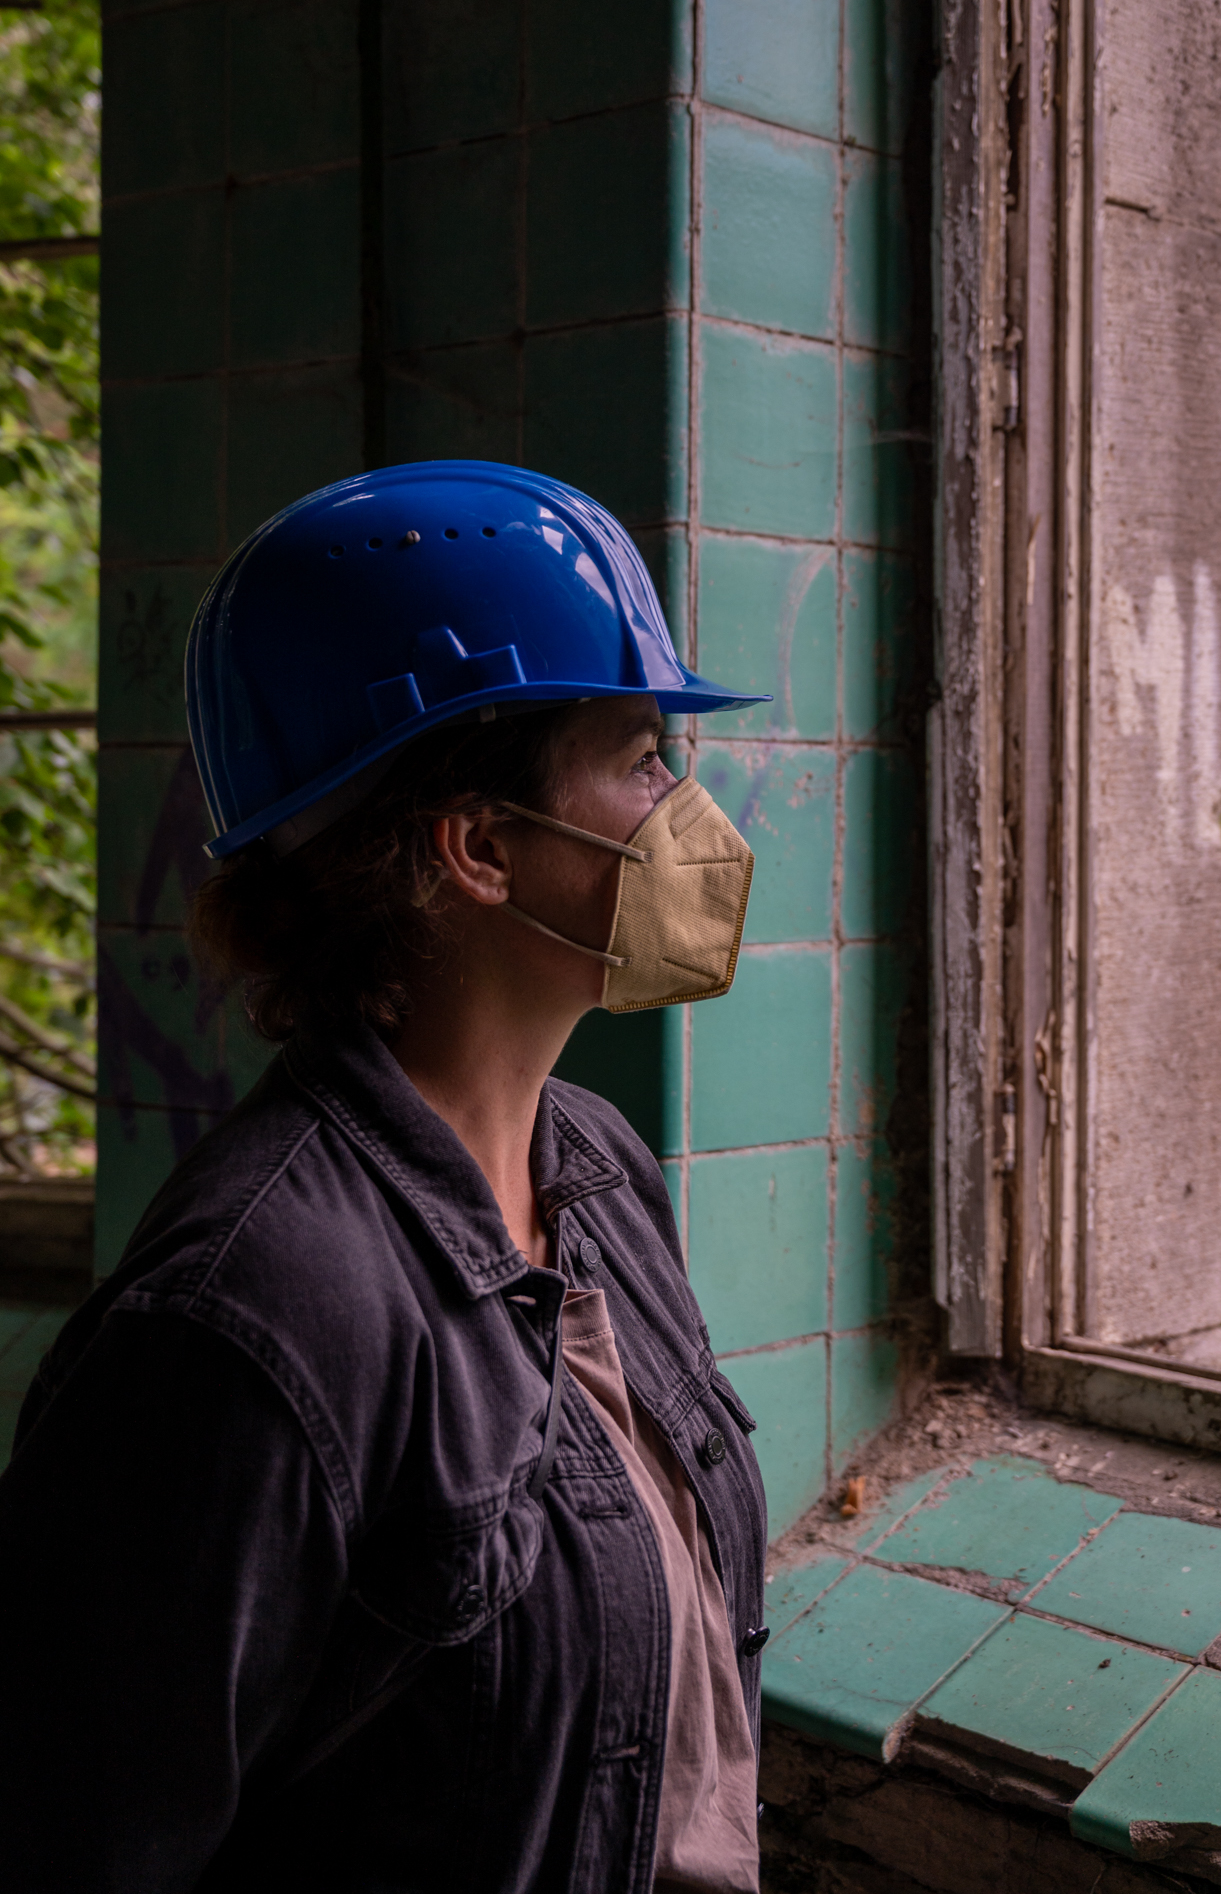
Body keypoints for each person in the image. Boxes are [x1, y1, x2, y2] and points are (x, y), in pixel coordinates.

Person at [0, 462, 775, 1892]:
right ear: (480, 846)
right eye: (642, 757)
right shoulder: (248, 1320)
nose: (690, 811)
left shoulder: (595, 1166)